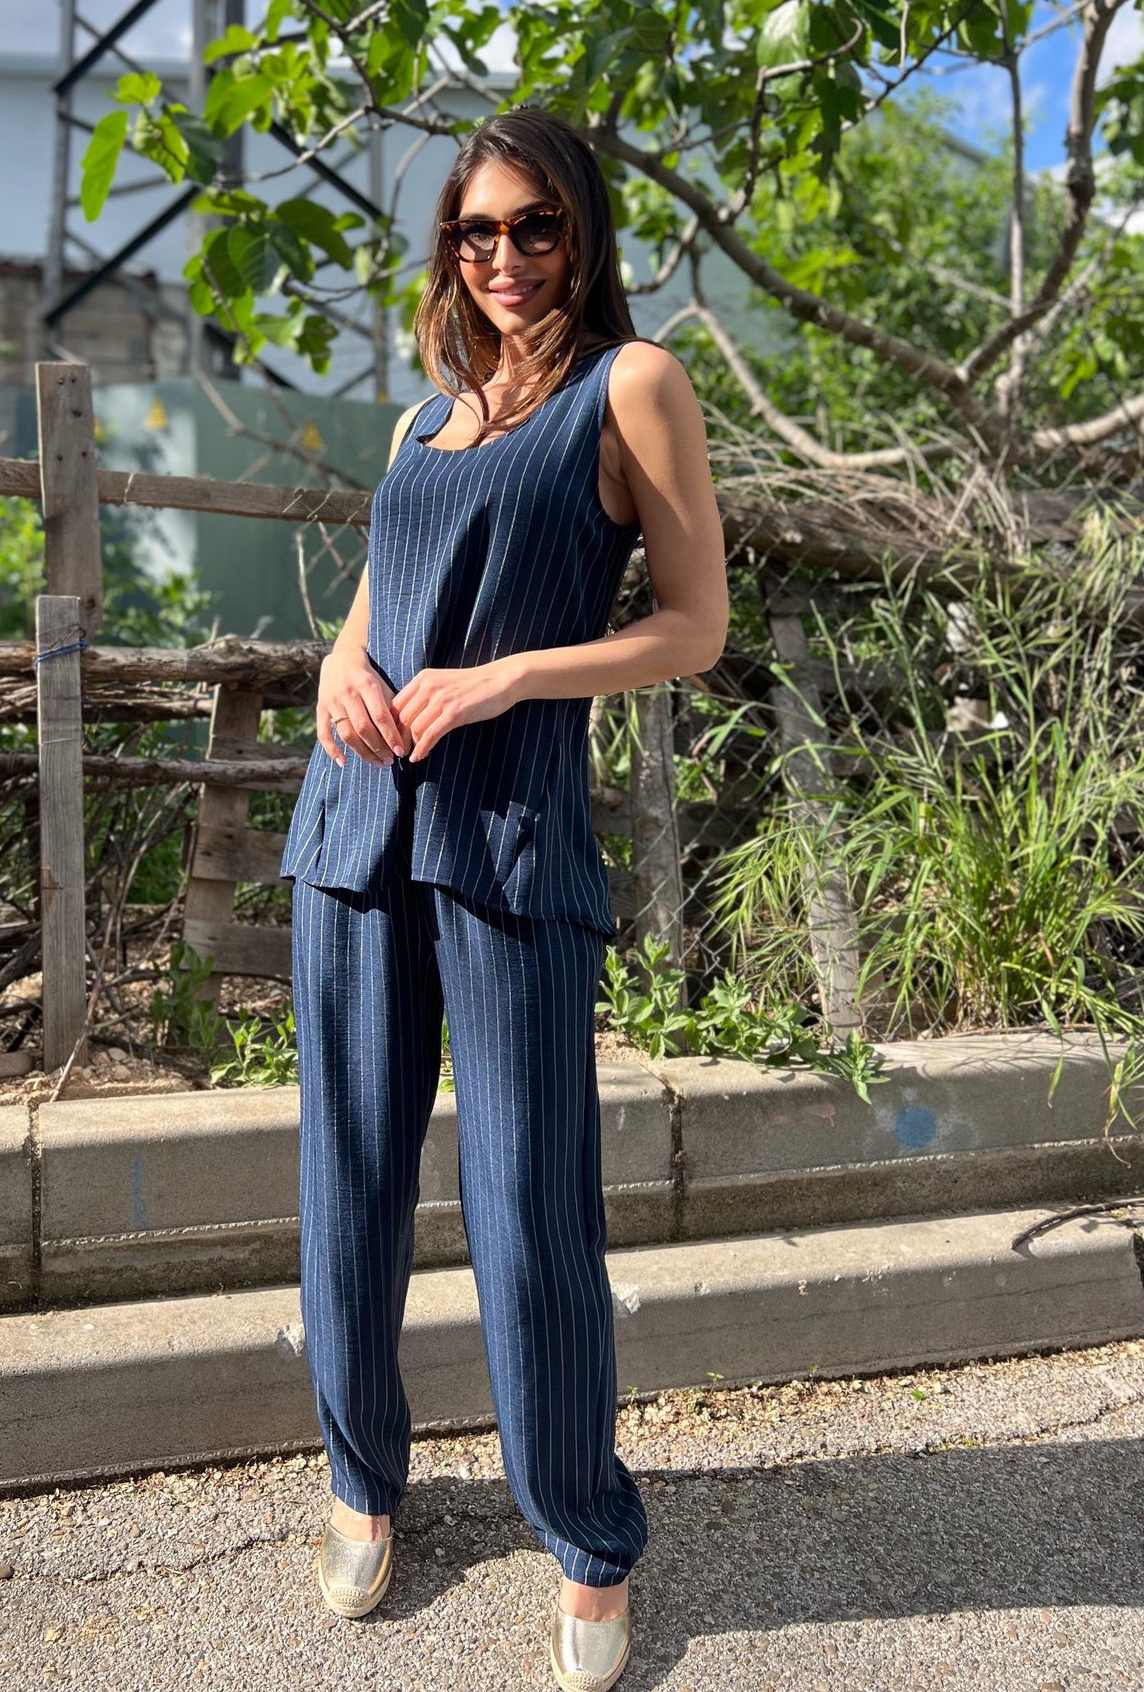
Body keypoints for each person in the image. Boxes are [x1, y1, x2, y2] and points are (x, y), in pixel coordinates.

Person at [278, 104, 729, 1691]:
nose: (506, 258)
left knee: (532, 1202)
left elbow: (692, 627)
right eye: (476, 231)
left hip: (508, 833)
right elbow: (366, 612)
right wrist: (341, 671)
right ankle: (359, 1480)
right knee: (350, 1180)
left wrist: (508, 679)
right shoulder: (426, 418)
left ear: (580, 231)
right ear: (446, 250)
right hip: (351, 830)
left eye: (534, 227)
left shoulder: (635, 385)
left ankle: (589, 1543)